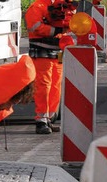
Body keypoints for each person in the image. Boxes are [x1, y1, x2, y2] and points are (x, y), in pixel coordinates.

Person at [26, 0, 77, 134]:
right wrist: (57, 29)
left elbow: (70, 25)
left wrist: (70, 21)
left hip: (58, 51)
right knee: (44, 85)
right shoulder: (37, 7)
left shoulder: (64, 5)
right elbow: (34, 27)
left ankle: (49, 118)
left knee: (56, 85)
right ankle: (41, 120)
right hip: (41, 51)